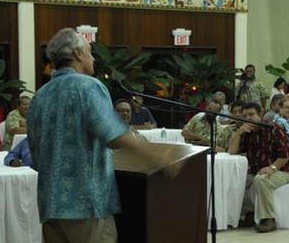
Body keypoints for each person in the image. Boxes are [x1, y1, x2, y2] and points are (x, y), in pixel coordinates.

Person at [26, 28, 181, 243]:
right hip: (87, 206)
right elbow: (113, 133)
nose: (93, 58)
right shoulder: (88, 87)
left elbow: (35, 155)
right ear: (78, 54)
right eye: (90, 52)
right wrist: (158, 156)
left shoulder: (39, 97)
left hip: (51, 206)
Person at [228, 102, 289, 233]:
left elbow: (287, 153)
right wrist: (239, 132)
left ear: (261, 114)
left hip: (280, 170)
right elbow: (232, 151)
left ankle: (268, 219)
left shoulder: (274, 128)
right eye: (245, 116)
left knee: (261, 179)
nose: (249, 118)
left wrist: (272, 167)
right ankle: (250, 213)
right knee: (237, 179)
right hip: (255, 170)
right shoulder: (247, 132)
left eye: (252, 114)